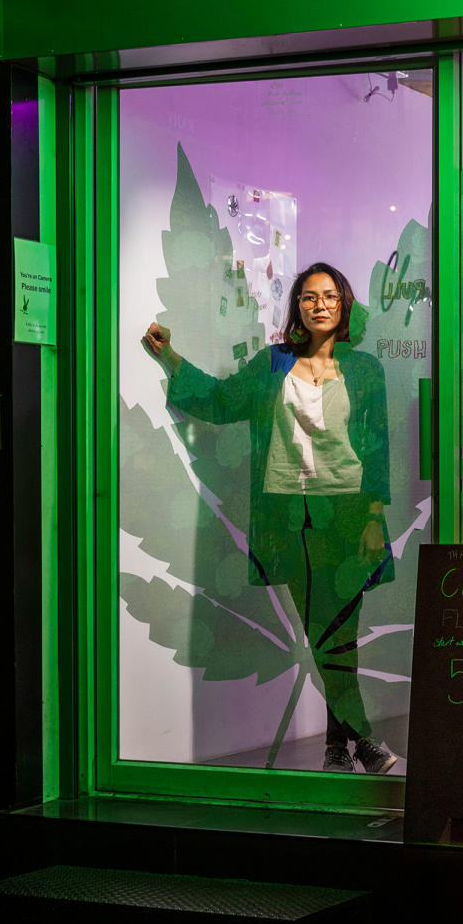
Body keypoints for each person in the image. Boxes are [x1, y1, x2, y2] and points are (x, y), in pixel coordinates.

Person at [142, 262, 397, 774]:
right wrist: (168, 356)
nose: (318, 304)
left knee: (337, 635)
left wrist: (374, 515)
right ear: (297, 306)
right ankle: (358, 743)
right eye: (308, 296)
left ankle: (341, 748)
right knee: (324, 634)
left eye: (328, 295)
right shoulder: (273, 363)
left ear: (343, 303)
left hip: (347, 518)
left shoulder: (366, 369)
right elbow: (219, 400)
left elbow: (376, 447)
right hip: (290, 520)